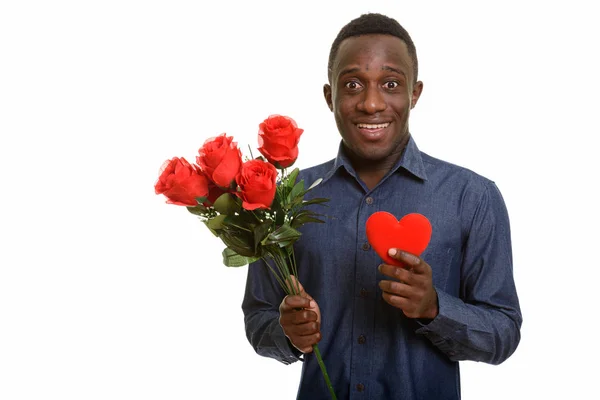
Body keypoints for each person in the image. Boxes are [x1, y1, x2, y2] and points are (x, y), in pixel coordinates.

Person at [242, 12, 522, 400]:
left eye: (390, 83)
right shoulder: (288, 197)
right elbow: (258, 319)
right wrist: (287, 333)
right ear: (330, 97)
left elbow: (503, 332)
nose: (371, 103)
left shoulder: (472, 197)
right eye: (353, 84)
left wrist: (434, 308)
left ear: (414, 94)